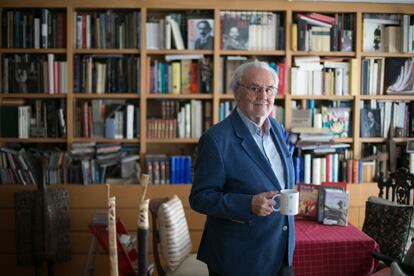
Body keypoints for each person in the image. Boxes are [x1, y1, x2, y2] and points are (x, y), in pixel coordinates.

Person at [189, 61, 295, 276]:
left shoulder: (276, 127)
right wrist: (247, 204)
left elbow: (278, 179)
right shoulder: (216, 140)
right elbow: (200, 198)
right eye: (254, 88)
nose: (263, 95)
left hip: (279, 248)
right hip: (239, 258)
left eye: (269, 89)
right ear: (237, 93)